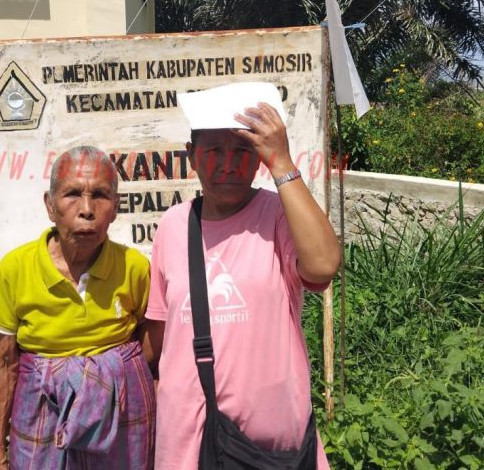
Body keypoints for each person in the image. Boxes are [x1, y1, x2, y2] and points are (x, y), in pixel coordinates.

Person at [141, 99, 341, 469]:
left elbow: (324, 265)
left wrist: (282, 162)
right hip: (185, 440)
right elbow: (161, 330)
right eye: (215, 150)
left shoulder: (278, 213)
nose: (230, 163)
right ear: (192, 155)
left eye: (243, 151)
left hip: (268, 451)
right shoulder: (173, 225)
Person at [0, 146, 155, 470]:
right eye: (73, 194)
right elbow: (5, 363)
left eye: (100, 195)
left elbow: (151, 346)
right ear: (50, 206)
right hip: (41, 412)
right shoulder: (15, 269)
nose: (87, 210)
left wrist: (109, 376)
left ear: (116, 208)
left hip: (120, 414)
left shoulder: (134, 267)